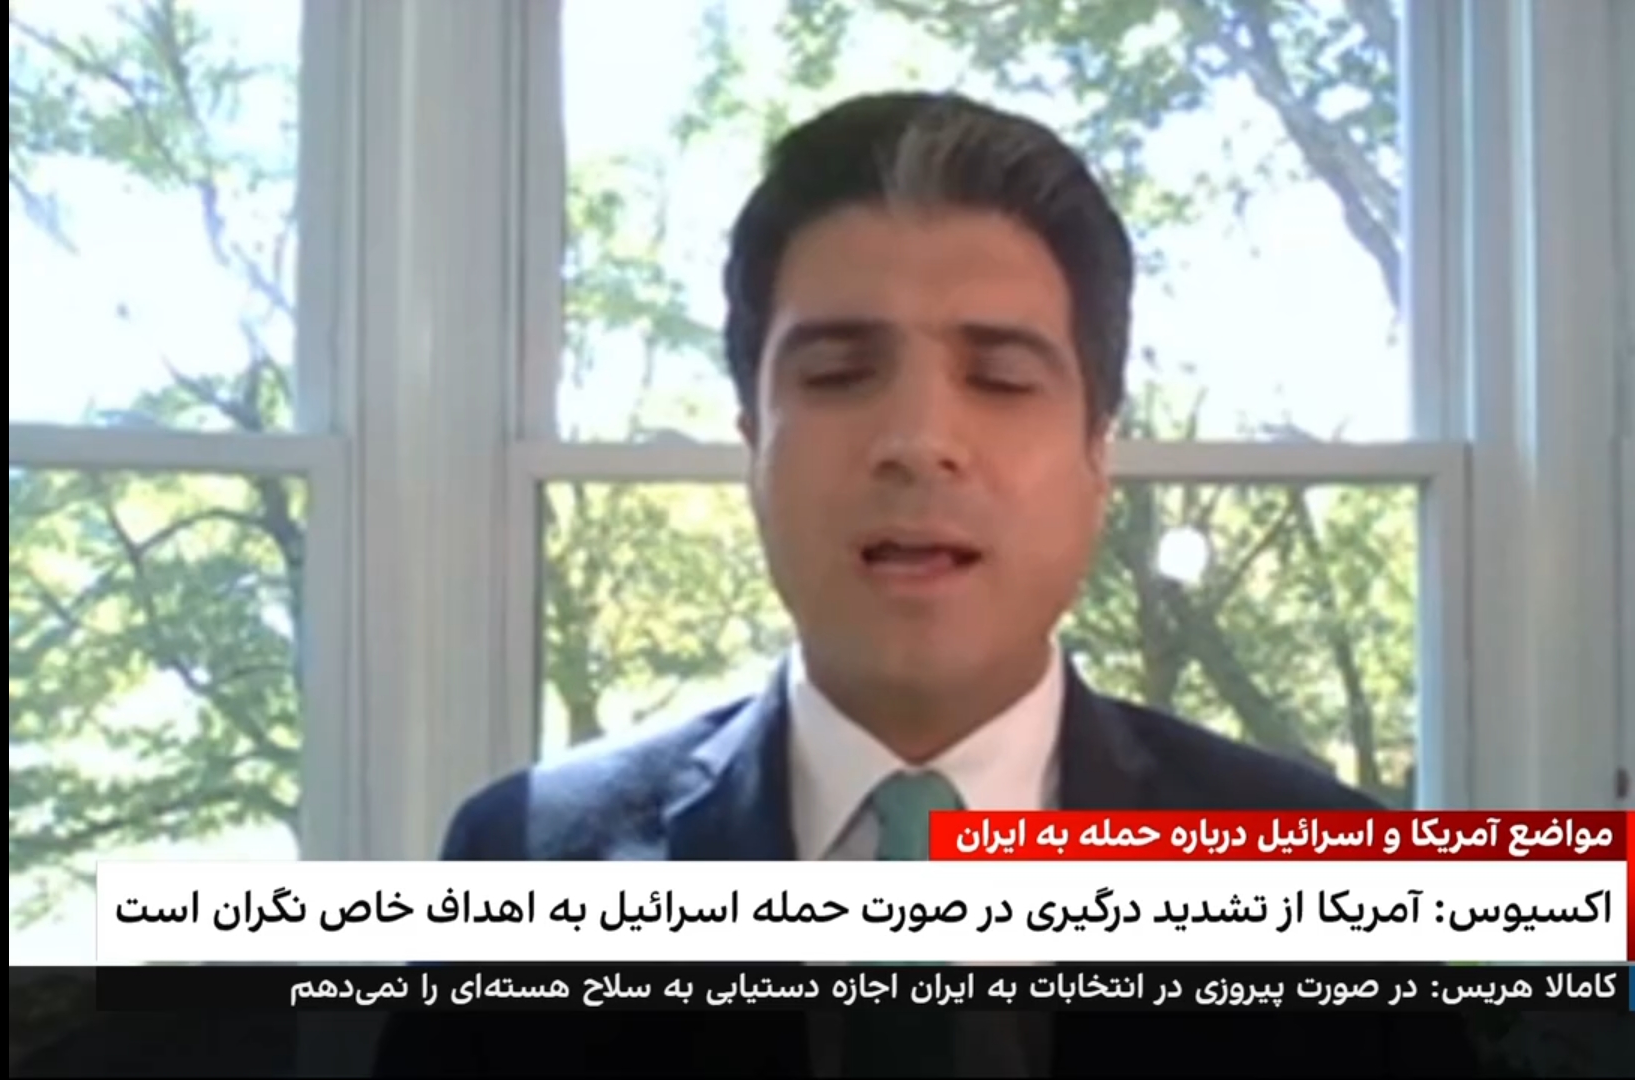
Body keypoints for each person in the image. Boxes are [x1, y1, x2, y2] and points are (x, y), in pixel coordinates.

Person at [374, 91, 1476, 1078]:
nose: (917, 440)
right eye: (839, 374)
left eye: (998, 378)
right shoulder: (524, 870)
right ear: (753, 439)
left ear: (1097, 452)